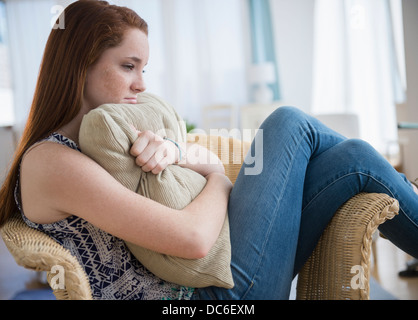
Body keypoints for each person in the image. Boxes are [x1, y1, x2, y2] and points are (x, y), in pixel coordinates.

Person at [0, 0, 417, 300]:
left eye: (144, 69)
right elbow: (196, 239)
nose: (142, 84)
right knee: (288, 122)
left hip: (216, 276)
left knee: (352, 159)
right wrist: (217, 178)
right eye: (128, 66)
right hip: (211, 297)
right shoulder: (51, 162)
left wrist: (178, 151)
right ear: (79, 65)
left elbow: (193, 159)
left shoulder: (103, 138)